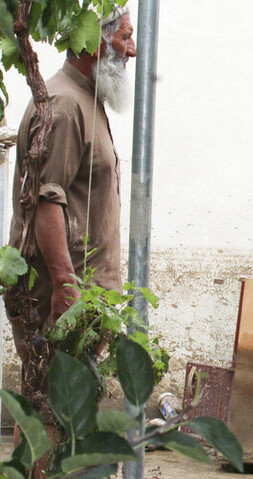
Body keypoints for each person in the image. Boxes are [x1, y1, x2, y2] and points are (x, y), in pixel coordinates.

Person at [5, 8, 136, 436]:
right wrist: (64, 284)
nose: (132, 50)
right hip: (59, 294)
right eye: (125, 39)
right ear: (95, 42)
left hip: (79, 292)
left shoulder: (86, 99)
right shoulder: (64, 104)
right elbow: (47, 201)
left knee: (65, 413)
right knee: (51, 413)